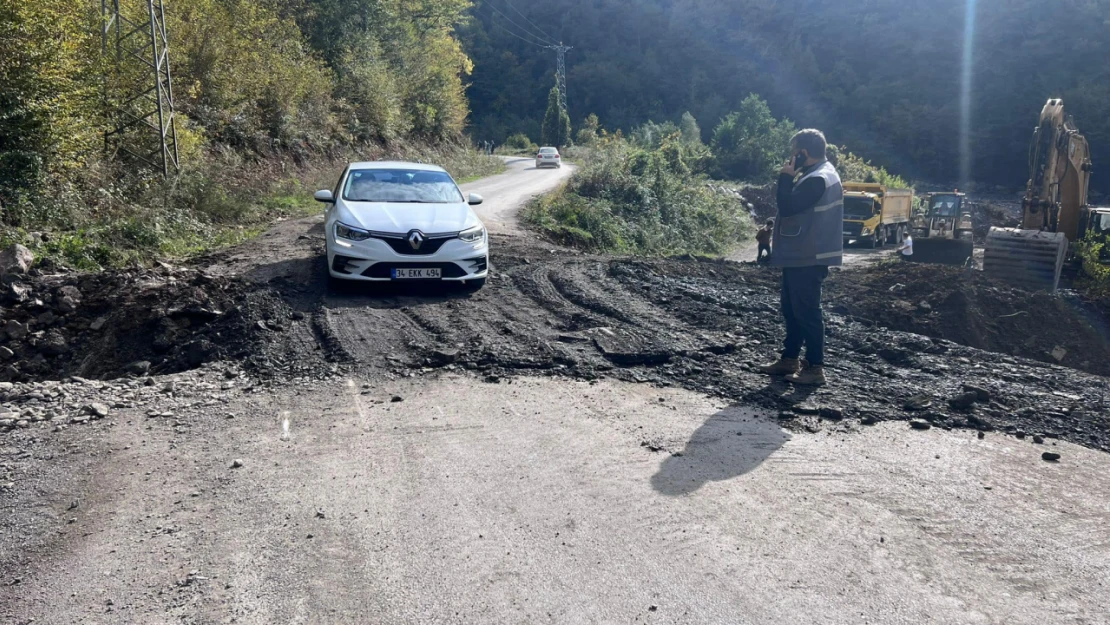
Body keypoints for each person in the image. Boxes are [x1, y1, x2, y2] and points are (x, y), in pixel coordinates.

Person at [758, 129, 843, 386]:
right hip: (801, 253)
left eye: (794, 152)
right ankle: (789, 359)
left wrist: (785, 177)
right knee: (792, 309)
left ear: (803, 153)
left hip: (809, 254)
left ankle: (814, 368)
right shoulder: (816, 175)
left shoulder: (819, 178)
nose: (790, 157)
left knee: (807, 312)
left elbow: (788, 205)